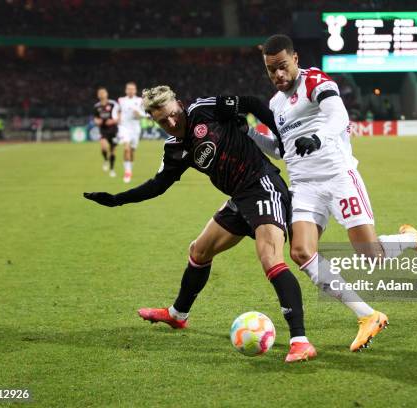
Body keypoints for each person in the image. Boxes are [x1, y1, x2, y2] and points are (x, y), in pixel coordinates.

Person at [84, 85, 317, 363]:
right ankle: (177, 315)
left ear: (179, 105)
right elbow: (158, 185)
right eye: (162, 121)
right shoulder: (174, 149)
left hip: (260, 184)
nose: (171, 123)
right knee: (199, 251)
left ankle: (300, 341)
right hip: (238, 199)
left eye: (172, 114)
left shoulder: (203, 109)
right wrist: (117, 200)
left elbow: (252, 102)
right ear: (154, 121)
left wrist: (282, 137)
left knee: (270, 257)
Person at [244, 34, 417, 351]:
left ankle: (409, 239)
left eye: (282, 67)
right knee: (300, 253)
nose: (278, 75)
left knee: (369, 254)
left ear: (295, 59)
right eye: (271, 71)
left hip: (338, 177)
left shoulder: (315, 81)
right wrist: (250, 134)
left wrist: (318, 138)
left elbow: (339, 115)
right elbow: (280, 151)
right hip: (304, 187)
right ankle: (367, 315)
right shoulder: (275, 105)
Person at [117, 82, 146, 183]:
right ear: (126, 90)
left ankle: (130, 168)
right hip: (124, 128)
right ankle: (127, 172)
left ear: (135, 90)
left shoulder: (140, 101)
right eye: (129, 89)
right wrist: (117, 119)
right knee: (126, 149)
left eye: (132, 89)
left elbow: (145, 114)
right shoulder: (121, 100)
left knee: (132, 151)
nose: (130, 90)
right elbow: (117, 112)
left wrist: (139, 114)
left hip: (135, 129)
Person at [93, 87, 120, 177]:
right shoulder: (97, 106)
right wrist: (97, 122)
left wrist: (113, 121)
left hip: (113, 129)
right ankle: (105, 160)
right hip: (103, 129)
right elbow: (95, 118)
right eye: (100, 93)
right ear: (98, 95)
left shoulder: (113, 104)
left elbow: (119, 115)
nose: (101, 94)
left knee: (112, 151)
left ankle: (112, 169)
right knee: (104, 147)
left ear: (106, 94)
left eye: (103, 93)